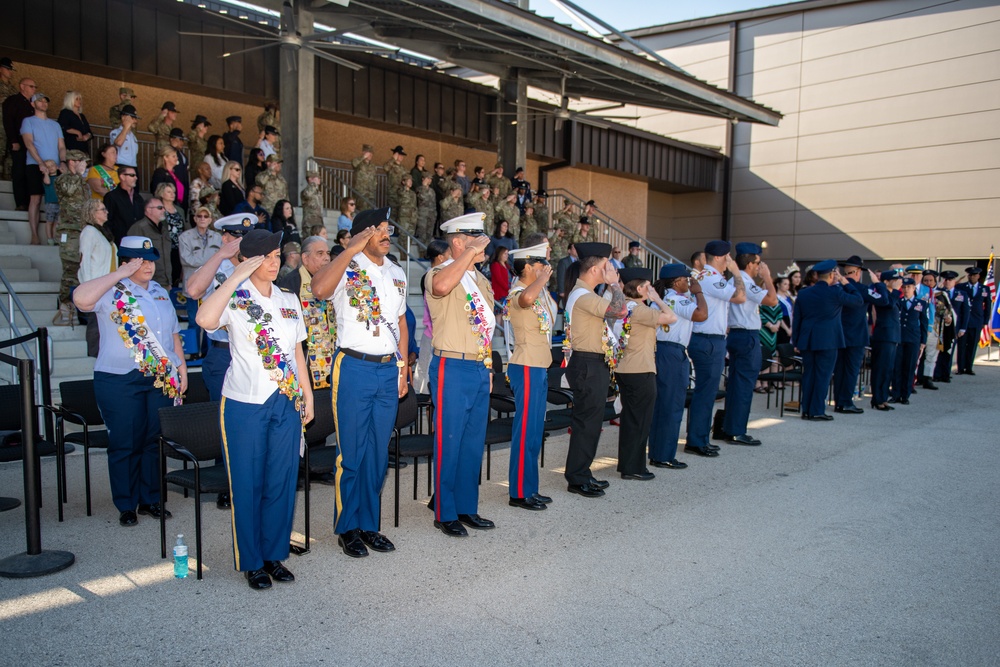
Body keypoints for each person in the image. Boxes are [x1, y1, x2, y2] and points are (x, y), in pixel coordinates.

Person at [196, 228, 314, 590]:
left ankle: (273, 554)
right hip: (246, 401)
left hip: (286, 399)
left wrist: (307, 396)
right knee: (249, 483)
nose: (275, 262)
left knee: (281, 480)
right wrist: (235, 275)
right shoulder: (235, 295)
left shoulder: (288, 299)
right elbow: (204, 320)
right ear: (249, 259)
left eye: (277, 255)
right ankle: (252, 562)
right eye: (266, 256)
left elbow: (297, 352)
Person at [310, 209, 407, 557]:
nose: (385, 234)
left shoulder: (396, 272)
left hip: (386, 369)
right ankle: (347, 527)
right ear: (362, 234)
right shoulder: (344, 267)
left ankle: (369, 524)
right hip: (352, 366)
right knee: (351, 452)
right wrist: (349, 250)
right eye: (378, 229)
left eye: (387, 228)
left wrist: (403, 367)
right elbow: (318, 289)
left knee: (378, 453)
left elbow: (400, 321)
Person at [73, 236, 187, 527]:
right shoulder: (111, 290)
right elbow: (81, 299)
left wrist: (181, 369)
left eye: (150, 259)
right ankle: (126, 503)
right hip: (119, 378)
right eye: (140, 260)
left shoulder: (160, 292)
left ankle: (151, 499)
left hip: (159, 377)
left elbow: (172, 335)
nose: (148, 265)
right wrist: (119, 273)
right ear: (126, 261)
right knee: (125, 441)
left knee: (153, 440)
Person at [424, 212, 496, 536]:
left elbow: (486, 328)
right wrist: (466, 255)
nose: (482, 246)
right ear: (457, 242)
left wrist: (490, 366)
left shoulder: (479, 279)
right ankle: (445, 511)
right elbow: (440, 287)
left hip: (479, 366)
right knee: (449, 441)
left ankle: (467, 507)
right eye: (474, 240)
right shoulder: (439, 272)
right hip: (452, 366)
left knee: (471, 443)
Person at [561, 242, 626, 497]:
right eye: (607, 266)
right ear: (597, 269)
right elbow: (620, 311)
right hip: (588, 362)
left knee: (588, 422)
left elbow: (609, 317)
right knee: (587, 423)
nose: (610, 270)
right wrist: (615, 284)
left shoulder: (585, 294)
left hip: (590, 362)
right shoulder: (583, 295)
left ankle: (582, 472)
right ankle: (577, 477)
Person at [500, 242, 556, 510]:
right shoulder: (517, 293)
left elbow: (551, 312)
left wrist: (542, 281)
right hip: (525, 366)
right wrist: (541, 280)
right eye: (538, 265)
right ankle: (519, 493)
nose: (544, 269)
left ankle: (530, 487)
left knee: (534, 432)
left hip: (539, 366)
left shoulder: (538, 292)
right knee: (525, 432)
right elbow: (526, 300)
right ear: (526, 267)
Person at [613, 267, 678, 481]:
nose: (651, 290)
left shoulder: (624, 305)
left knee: (632, 419)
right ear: (640, 288)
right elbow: (671, 317)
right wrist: (658, 299)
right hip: (640, 369)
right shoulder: (639, 309)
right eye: (648, 287)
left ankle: (630, 464)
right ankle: (633, 467)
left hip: (626, 367)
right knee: (640, 421)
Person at [685, 240, 746, 457]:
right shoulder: (710, 278)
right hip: (709, 340)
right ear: (720, 258)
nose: (730, 260)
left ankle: (700, 437)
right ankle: (696, 440)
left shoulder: (709, 277)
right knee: (706, 392)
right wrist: (737, 271)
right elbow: (740, 296)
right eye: (728, 257)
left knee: (707, 391)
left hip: (709, 338)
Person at [648, 264, 707, 470]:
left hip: (662, 351)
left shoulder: (665, 298)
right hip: (671, 353)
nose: (689, 283)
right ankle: (663, 455)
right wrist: (698, 292)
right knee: (671, 405)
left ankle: (657, 452)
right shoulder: (677, 299)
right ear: (676, 281)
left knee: (662, 405)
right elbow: (701, 314)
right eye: (686, 279)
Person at [720, 242, 777, 445]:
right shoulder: (745, 280)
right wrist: (768, 277)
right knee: (744, 385)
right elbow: (772, 300)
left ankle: (730, 427)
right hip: (746, 336)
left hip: (738, 334)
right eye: (758, 263)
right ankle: (736, 430)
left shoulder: (736, 280)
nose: (760, 267)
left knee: (737, 384)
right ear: (751, 264)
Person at [792, 260, 863, 420]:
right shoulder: (836, 292)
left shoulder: (804, 293)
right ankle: (816, 410)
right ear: (832, 275)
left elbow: (797, 319)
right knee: (823, 375)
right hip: (828, 341)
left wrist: (796, 341)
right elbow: (858, 300)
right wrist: (846, 282)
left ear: (816, 276)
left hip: (808, 339)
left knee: (809, 375)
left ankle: (807, 409)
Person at [832, 256, 888, 414]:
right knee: (851, 370)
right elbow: (883, 300)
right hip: (856, 335)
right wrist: (877, 282)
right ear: (857, 272)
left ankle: (839, 401)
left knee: (840, 369)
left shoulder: (838, 287)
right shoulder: (863, 290)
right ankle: (846, 402)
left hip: (839, 334)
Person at [276, 236, 334, 388]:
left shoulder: (333, 280)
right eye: (320, 254)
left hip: (332, 357)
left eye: (327, 253)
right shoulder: (291, 282)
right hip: (305, 360)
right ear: (305, 258)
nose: (326, 258)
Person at [21, 91, 66, 245]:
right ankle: (34, 235)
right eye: (39, 101)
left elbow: (61, 146)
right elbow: (28, 143)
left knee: (57, 199)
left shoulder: (55, 124)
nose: (43, 103)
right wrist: (40, 162)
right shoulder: (28, 121)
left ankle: (54, 237)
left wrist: (63, 161)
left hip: (54, 166)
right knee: (35, 198)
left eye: (45, 100)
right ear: (32, 104)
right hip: (34, 164)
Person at [52, 150, 91, 325]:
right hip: (70, 231)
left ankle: (76, 306)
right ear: (72, 161)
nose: (84, 165)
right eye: (81, 161)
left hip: (83, 231)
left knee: (80, 270)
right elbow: (68, 190)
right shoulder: (64, 179)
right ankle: (64, 306)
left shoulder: (83, 183)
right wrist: (78, 174)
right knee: (70, 270)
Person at [178, 206, 222, 353]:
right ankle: (193, 353)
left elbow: (223, 259)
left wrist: (213, 260)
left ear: (210, 219)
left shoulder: (218, 237)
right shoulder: (185, 237)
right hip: (193, 287)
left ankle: (207, 352)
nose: (202, 218)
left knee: (212, 322)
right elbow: (187, 259)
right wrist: (213, 260)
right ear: (195, 218)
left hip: (213, 288)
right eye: (199, 216)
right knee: (194, 323)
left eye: (206, 216)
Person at [77, 199, 118, 356]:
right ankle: (94, 354)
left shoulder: (102, 232)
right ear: (92, 213)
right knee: (95, 323)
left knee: (105, 322)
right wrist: (88, 288)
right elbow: (84, 261)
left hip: (108, 286)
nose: (106, 212)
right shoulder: (89, 231)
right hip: (96, 286)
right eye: (102, 209)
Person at [413, 240, 450, 394]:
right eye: (449, 254)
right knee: (428, 383)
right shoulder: (431, 278)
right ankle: (431, 419)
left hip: (441, 335)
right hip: (433, 336)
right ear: (440, 258)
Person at [869, 270, 904, 411]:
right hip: (883, 336)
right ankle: (877, 398)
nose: (897, 282)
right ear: (886, 282)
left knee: (888, 369)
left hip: (892, 336)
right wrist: (895, 290)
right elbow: (887, 304)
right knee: (881, 368)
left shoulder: (892, 296)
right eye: (894, 279)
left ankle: (883, 398)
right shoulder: (883, 295)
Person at [890, 278, 928, 405]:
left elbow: (924, 323)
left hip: (913, 339)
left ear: (913, 289)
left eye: (909, 287)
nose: (906, 290)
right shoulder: (898, 301)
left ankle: (905, 395)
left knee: (909, 367)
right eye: (904, 287)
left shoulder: (921, 304)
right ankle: (896, 394)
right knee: (897, 367)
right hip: (899, 338)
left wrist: (923, 341)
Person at [3, 77, 35, 211]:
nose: (34, 89)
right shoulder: (13, 101)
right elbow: (8, 122)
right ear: (22, 86)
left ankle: (30, 203)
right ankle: (21, 203)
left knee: (30, 173)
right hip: (19, 143)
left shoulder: (33, 104)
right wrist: (13, 141)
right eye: (31, 86)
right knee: (19, 172)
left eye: (35, 87)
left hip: (32, 145)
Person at [128, 198, 172, 287]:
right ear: (149, 209)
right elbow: (132, 256)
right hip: (146, 282)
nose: (164, 210)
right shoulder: (139, 228)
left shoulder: (163, 228)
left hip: (165, 282)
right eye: (160, 207)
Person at [934, 270, 968, 382]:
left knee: (949, 351)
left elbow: (965, 312)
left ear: (954, 281)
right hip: (940, 327)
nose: (948, 282)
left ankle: (945, 374)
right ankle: (937, 374)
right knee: (938, 351)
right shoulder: (938, 293)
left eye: (950, 280)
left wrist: (962, 328)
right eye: (946, 280)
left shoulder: (962, 294)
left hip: (953, 328)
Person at [957, 267, 990, 375]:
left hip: (977, 320)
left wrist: (985, 321)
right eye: (971, 275)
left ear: (978, 276)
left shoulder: (984, 289)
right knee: (962, 345)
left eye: (975, 275)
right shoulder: (961, 287)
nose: (972, 277)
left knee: (972, 344)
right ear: (968, 276)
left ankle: (969, 367)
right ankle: (960, 368)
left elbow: (988, 306)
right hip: (964, 320)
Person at [103, 166, 145, 246]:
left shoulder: (138, 198)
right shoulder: (111, 196)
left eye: (136, 175)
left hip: (138, 241)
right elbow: (107, 221)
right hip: (119, 242)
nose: (136, 178)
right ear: (122, 177)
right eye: (132, 175)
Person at [155, 183, 185, 287]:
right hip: (165, 246)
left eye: (173, 192)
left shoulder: (179, 210)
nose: (172, 194)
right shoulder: (158, 209)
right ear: (161, 194)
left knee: (178, 271)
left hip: (179, 246)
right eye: (169, 192)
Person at [916, 269, 941, 390]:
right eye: (926, 280)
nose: (928, 282)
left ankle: (928, 378)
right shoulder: (918, 290)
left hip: (933, 328)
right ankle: (915, 379)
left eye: (931, 280)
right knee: (917, 355)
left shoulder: (941, 294)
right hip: (919, 327)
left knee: (931, 355)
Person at [149, 146, 186, 217]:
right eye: (173, 156)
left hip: (177, 206)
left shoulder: (174, 173)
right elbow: (156, 190)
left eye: (176, 156)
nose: (176, 158)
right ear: (165, 157)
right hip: (166, 208)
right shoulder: (160, 172)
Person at [108, 104, 140, 173]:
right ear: (123, 117)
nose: (135, 121)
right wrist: (126, 127)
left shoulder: (133, 136)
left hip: (133, 167)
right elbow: (119, 142)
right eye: (132, 118)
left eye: (135, 118)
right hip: (121, 166)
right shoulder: (115, 132)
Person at [0, 58, 16, 181]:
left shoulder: (13, 89)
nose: (11, 72)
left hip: (10, 125)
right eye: (9, 69)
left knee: (10, 154)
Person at [384, 145, 408, 213]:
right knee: (392, 214)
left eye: (402, 155)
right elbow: (385, 168)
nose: (402, 157)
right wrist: (393, 158)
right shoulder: (391, 165)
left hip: (401, 195)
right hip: (393, 195)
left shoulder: (403, 168)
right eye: (400, 154)